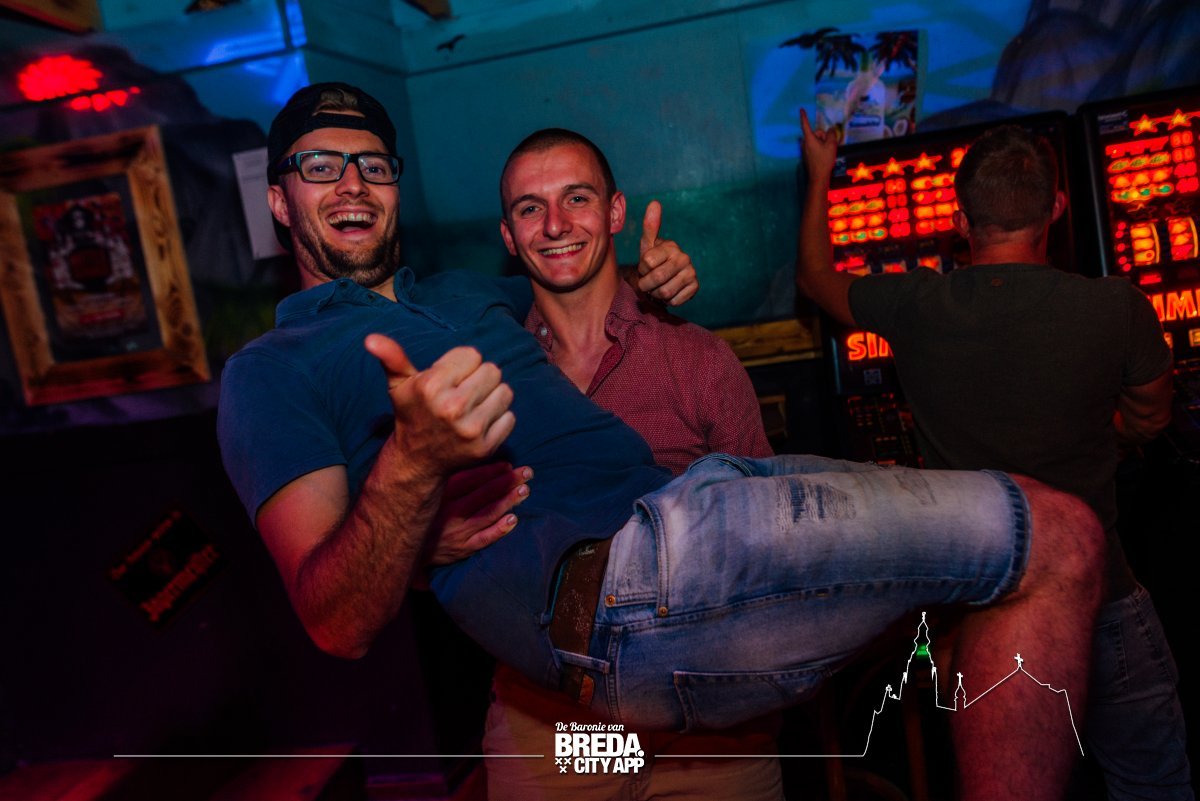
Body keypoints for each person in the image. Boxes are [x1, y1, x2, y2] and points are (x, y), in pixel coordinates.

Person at [217, 82, 1105, 801]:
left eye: (372, 164)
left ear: (612, 213)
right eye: (320, 166)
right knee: (1057, 537)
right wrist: (413, 477)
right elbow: (336, 614)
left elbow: (598, 301)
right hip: (571, 704)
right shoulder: (273, 369)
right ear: (278, 197)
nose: (351, 183)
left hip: (699, 663)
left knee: (1050, 539)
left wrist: (653, 280)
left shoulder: (476, 301)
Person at [794, 111, 1192, 799]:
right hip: (1102, 599)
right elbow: (1153, 413)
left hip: (980, 615)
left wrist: (821, 172)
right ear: (1057, 208)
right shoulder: (1115, 308)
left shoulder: (916, 304)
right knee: (1152, 784)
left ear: (960, 221)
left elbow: (814, 277)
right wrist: (1111, 431)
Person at [487, 127, 779, 799]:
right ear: (508, 236)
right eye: (530, 207)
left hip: (702, 717)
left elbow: (769, 539)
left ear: (615, 212)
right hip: (559, 722)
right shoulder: (491, 375)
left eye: (577, 198)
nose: (555, 224)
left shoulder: (696, 359)